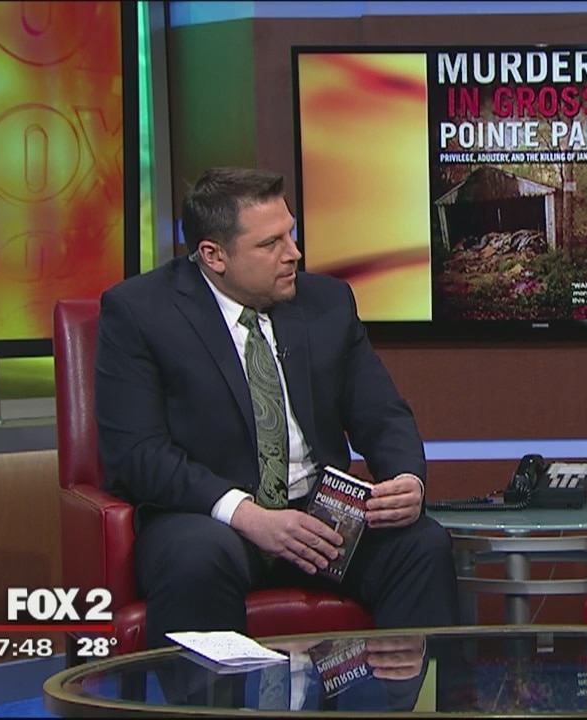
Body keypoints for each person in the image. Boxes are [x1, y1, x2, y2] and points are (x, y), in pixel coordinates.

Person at [94, 166, 459, 650]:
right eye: (271, 244)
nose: (294, 253)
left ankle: (412, 691)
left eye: (290, 233)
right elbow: (138, 453)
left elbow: (381, 412)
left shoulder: (327, 302)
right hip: (208, 517)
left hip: (318, 513)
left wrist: (405, 479)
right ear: (213, 255)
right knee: (196, 559)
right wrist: (245, 514)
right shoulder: (140, 313)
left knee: (421, 545)